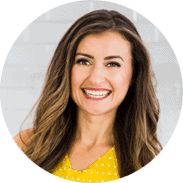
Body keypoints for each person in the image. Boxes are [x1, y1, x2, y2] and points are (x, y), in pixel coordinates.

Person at [14, 9, 162, 182]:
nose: (96, 78)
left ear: (134, 75)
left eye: (113, 64)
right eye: (83, 61)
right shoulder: (26, 145)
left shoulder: (148, 163)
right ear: (66, 69)